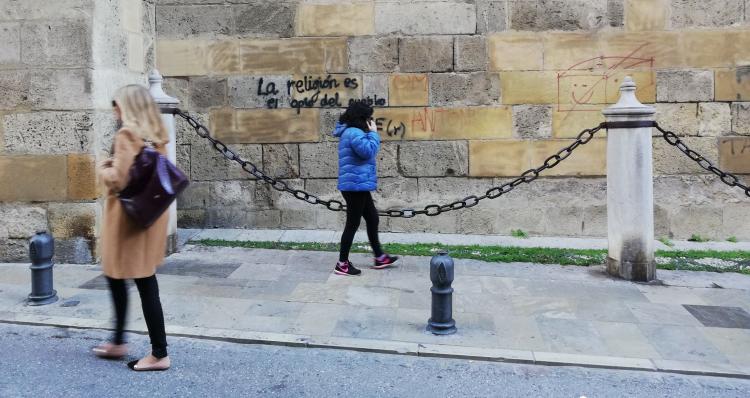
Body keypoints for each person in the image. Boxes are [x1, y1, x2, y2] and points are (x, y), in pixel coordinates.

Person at [92, 85, 171, 371]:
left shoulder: (126, 135)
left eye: (117, 105)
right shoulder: (157, 135)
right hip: (147, 219)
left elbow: (119, 179)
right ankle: (118, 341)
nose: (115, 110)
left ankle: (159, 354)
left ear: (128, 107)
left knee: (140, 282)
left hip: (127, 222)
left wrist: (103, 166)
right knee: (121, 277)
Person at [331, 102, 399, 276]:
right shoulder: (354, 133)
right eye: (368, 117)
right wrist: (374, 133)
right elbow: (368, 151)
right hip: (355, 186)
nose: (370, 120)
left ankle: (379, 257)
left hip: (358, 184)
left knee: (373, 218)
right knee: (352, 224)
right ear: (361, 118)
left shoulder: (353, 131)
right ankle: (342, 264)